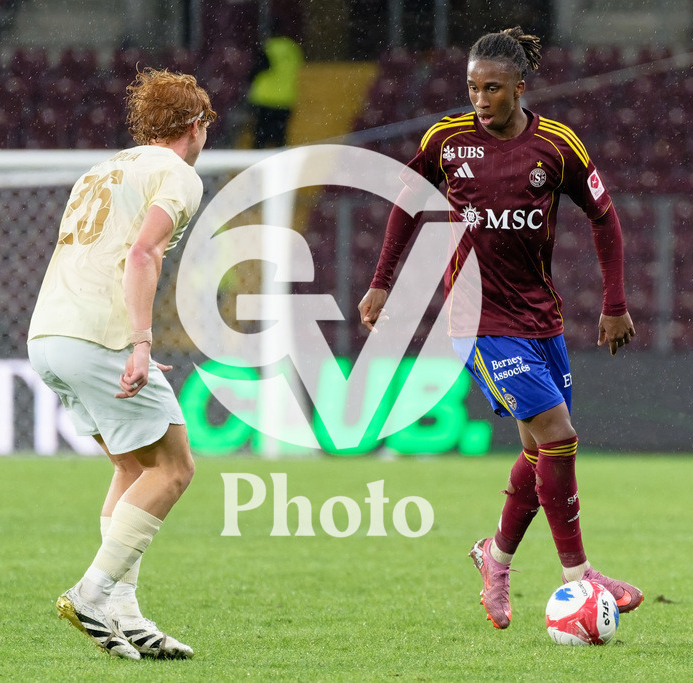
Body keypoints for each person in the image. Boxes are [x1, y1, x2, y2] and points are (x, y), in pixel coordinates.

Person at [357, 27, 643, 630]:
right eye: (472, 88)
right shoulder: (447, 140)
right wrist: (382, 282)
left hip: (541, 318)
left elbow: (605, 218)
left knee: (539, 451)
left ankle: (495, 557)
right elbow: (406, 204)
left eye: (492, 89)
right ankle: (579, 576)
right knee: (558, 433)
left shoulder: (557, 146)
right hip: (478, 322)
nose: (480, 100)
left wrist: (615, 302)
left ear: (519, 87)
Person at [27, 68, 215, 659]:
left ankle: (124, 614)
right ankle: (91, 594)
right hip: (100, 334)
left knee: (133, 466)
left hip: (50, 334)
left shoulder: (101, 169)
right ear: (195, 125)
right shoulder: (178, 174)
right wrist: (139, 344)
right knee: (174, 468)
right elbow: (141, 254)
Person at [246, 29, 304, 148]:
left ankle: (259, 159)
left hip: (264, 99)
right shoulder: (293, 49)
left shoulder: (268, 48)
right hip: (285, 99)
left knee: (260, 138)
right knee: (280, 137)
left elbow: (257, 70)